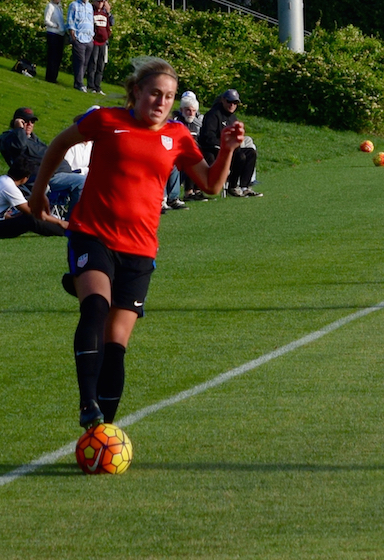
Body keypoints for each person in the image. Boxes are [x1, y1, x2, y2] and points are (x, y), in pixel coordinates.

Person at [27, 56, 245, 429]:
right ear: (137, 92)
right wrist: (38, 193)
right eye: (155, 93)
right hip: (92, 234)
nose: (161, 102)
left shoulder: (176, 135)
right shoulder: (106, 121)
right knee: (95, 308)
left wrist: (226, 149)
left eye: (169, 96)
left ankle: (101, 433)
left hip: (140, 250)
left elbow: (211, 185)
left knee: (116, 346)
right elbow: (60, 144)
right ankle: (87, 404)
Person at [1, 107, 86, 214]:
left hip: (61, 173)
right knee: (82, 182)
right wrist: (19, 129)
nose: (29, 124)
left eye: (32, 121)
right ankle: (73, 223)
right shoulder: (10, 138)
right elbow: (19, 148)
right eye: (25, 121)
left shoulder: (33, 139)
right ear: (17, 122)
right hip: (47, 176)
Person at [198, 89, 261, 197]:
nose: (232, 105)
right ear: (223, 100)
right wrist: (224, 146)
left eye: (235, 103)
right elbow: (207, 136)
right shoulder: (213, 114)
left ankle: (245, 187)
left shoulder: (232, 117)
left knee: (251, 153)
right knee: (240, 156)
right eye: (229, 101)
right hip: (215, 150)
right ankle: (232, 187)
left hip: (231, 150)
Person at [0, 156, 67, 239]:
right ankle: (65, 231)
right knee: (31, 219)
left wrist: (12, 218)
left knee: (24, 216)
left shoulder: (3, 180)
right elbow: (32, 212)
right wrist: (60, 222)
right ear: (25, 178)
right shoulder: (9, 186)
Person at [175, 91, 208, 202]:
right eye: (188, 110)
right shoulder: (175, 121)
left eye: (193, 111)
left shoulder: (197, 122)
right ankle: (188, 192)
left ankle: (197, 190)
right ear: (182, 110)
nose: (191, 113)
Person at [66, 0, 94, 93]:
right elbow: (70, 20)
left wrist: (92, 35)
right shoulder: (74, 5)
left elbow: (91, 22)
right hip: (79, 37)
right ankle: (79, 84)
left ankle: (80, 82)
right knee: (80, 61)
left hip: (89, 38)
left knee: (85, 62)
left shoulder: (90, 6)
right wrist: (73, 35)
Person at [88, 0, 111, 95]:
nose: (100, 3)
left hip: (103, 43)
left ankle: (98, 86)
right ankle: (91, 86)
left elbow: (108, 27)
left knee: (101, 65)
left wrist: (107, 36)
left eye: (102, 2)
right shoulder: (91, 13)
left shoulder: (104, 14)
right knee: (93, 63)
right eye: (98, 1)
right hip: (95, 42)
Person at [43, 0, 66, 84]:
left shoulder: (59, 8)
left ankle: (54, 76)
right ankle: (49, 77)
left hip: (60, 34)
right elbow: (46, 20)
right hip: (52, 33)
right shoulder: (50, 6)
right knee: (52, 56)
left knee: (58, 57)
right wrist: (54, 25)